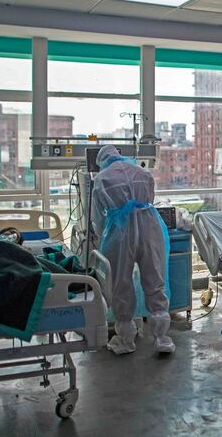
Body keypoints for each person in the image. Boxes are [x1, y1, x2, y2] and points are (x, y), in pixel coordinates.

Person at [91, 145, 175, 355]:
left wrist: (105, 235)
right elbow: (150, 201)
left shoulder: (102, 179)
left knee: (121, 283)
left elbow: (98, 218)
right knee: (154, 279)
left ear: (102, 160)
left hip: (119, 232)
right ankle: (162, 338)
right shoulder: (143, 173)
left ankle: (126, 339)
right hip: (149, 227)